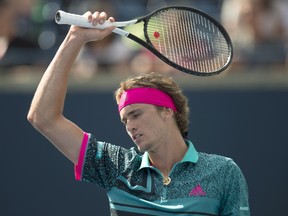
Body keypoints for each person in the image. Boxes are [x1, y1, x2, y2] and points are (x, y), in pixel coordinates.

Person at [27, 11, 250, 215]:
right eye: (125, 120)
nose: (129, 127)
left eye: (136, 115)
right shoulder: (115, 167)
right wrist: (74, 38)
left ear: (166, 111)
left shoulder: (223, 172)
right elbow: (42, 117)